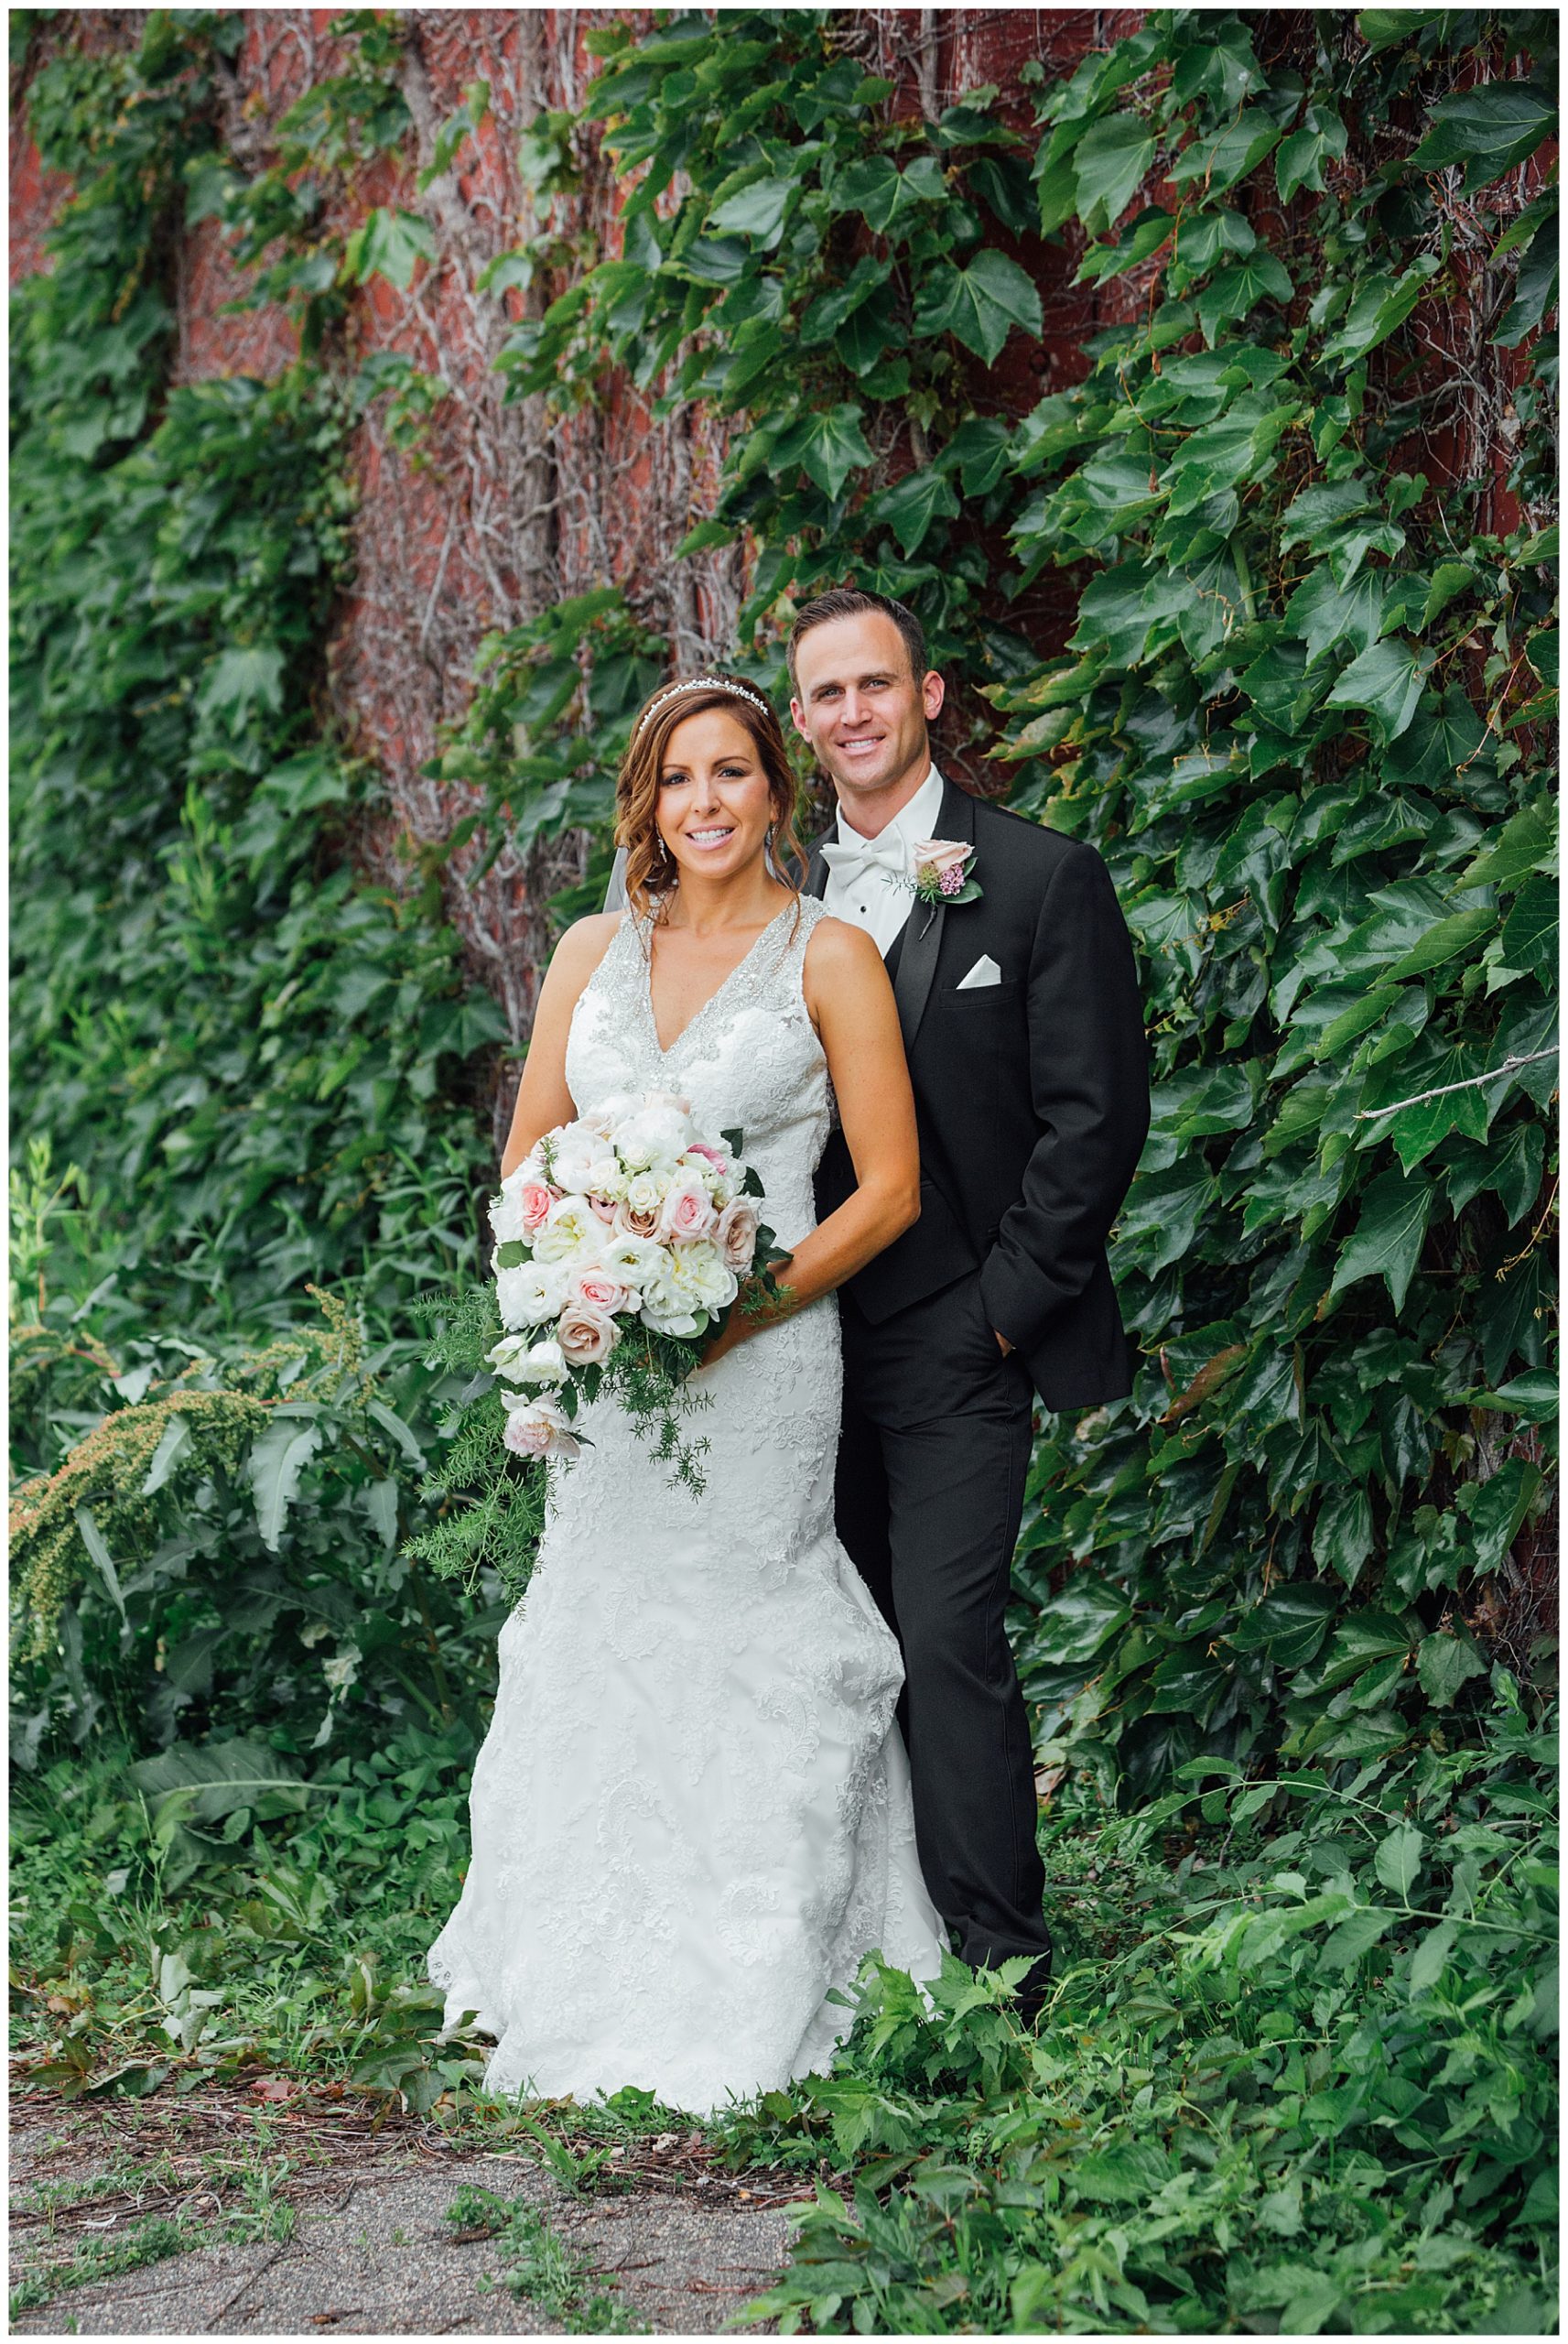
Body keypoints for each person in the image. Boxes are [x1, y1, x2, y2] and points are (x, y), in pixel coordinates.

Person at [429, 674, 948, 2114]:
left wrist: (738, 1312)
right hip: (610, 1364)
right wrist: (575, 1282)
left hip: (764, 1360)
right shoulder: (591, 948)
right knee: (600, 1627)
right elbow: (532, 1159)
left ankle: (762, 1968)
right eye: (677, 779)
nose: (704, 803)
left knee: (744, 1632)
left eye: (730, 773)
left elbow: (889, 1189)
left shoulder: (828, 955)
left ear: (775, 795)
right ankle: (569, 1973)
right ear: (645, 804)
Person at [793, 588, 1150, 2022]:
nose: (854, 714)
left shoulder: (1037, 878)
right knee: (826, 1638)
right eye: (825, 694)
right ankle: (849, 1948)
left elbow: (1094, 1121)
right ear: (802, 719)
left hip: (958, 1333)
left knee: (944, 1640)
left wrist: (1002, 1310)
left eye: (876, 684)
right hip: (799, 1338)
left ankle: (1002, 1971)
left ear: (928, 694)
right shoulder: (768, 896)